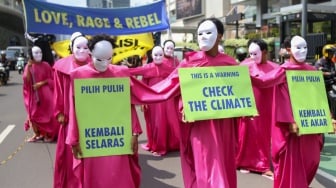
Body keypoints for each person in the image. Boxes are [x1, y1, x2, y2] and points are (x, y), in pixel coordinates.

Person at [138, 17, 239, 188]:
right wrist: (135, 91)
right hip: (200, 125)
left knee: (223, 162)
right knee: (204, 165)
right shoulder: (189, 63)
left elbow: (241, 90)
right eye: (200, 34)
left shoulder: (230, 64)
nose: (203, 37)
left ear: (220, 36)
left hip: (224, 125)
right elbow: (168, 86)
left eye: (208, 33)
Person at [252, 35, 330, 188]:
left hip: (311, 126)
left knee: (312, 159)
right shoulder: (284, 70)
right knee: (293, 164)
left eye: (305, 47)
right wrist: (241, 76)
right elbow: (264, 81)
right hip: (292, 128)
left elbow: (318, 97)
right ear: (289, 50)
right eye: (298, 47)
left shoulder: (312, 70)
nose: (302, 51)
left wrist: (327, 118)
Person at [66, 34, 142, 188]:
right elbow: (73, 110)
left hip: (118, 138)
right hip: (91, 141)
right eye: (99, 59)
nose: (105, 64)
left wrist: (134, 133)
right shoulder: (78, 76)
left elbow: (128, 106)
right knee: (95, 179)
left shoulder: (120, 73)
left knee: (119, 177)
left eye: (109, 58)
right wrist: (74, 139)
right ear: (90, 54)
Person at [236, 39, 279, 179]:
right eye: (250, 54)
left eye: (255, 53)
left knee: (265, 135)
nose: (252, 57)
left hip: (268, 107)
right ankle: (243, 162)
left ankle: (264, 165)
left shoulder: (275, 67)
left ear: (265, 52)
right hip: (249, 105)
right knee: (246, 133)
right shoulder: (244, 66)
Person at [53, 32, 91, 188]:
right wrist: (59, 111)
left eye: (85, 47)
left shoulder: (95, 63)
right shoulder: (61, 67)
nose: (82, 51)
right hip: (70, 114)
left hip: (91, 114)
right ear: (71, 47)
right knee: (71, 150)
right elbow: (58, 91)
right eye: (78, 47)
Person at [130, 46, 180, 156]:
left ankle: (172, 145)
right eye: (155, 55)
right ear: (151, 56)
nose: (158, 57)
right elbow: (134, 74)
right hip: (152, 102)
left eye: (160, 55)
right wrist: (143, 102)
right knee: (157, 123)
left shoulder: (168, 67)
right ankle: (158, 146)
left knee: (171, 122)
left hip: (167, 100)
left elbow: (179, 74)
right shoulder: (147, 67)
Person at [23, 46, 56, 142]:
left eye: (40, 52)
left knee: (47, 115)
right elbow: (27, 80)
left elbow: (52, 79)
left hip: (46, 94)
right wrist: (28, 68)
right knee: (33, 115)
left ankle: (47, 134)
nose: (39, 55)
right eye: (36, 53)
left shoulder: (46, 65)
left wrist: (41, 83)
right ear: (31, 55)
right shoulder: (29, 66)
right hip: (34, 96)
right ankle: (37, 134)